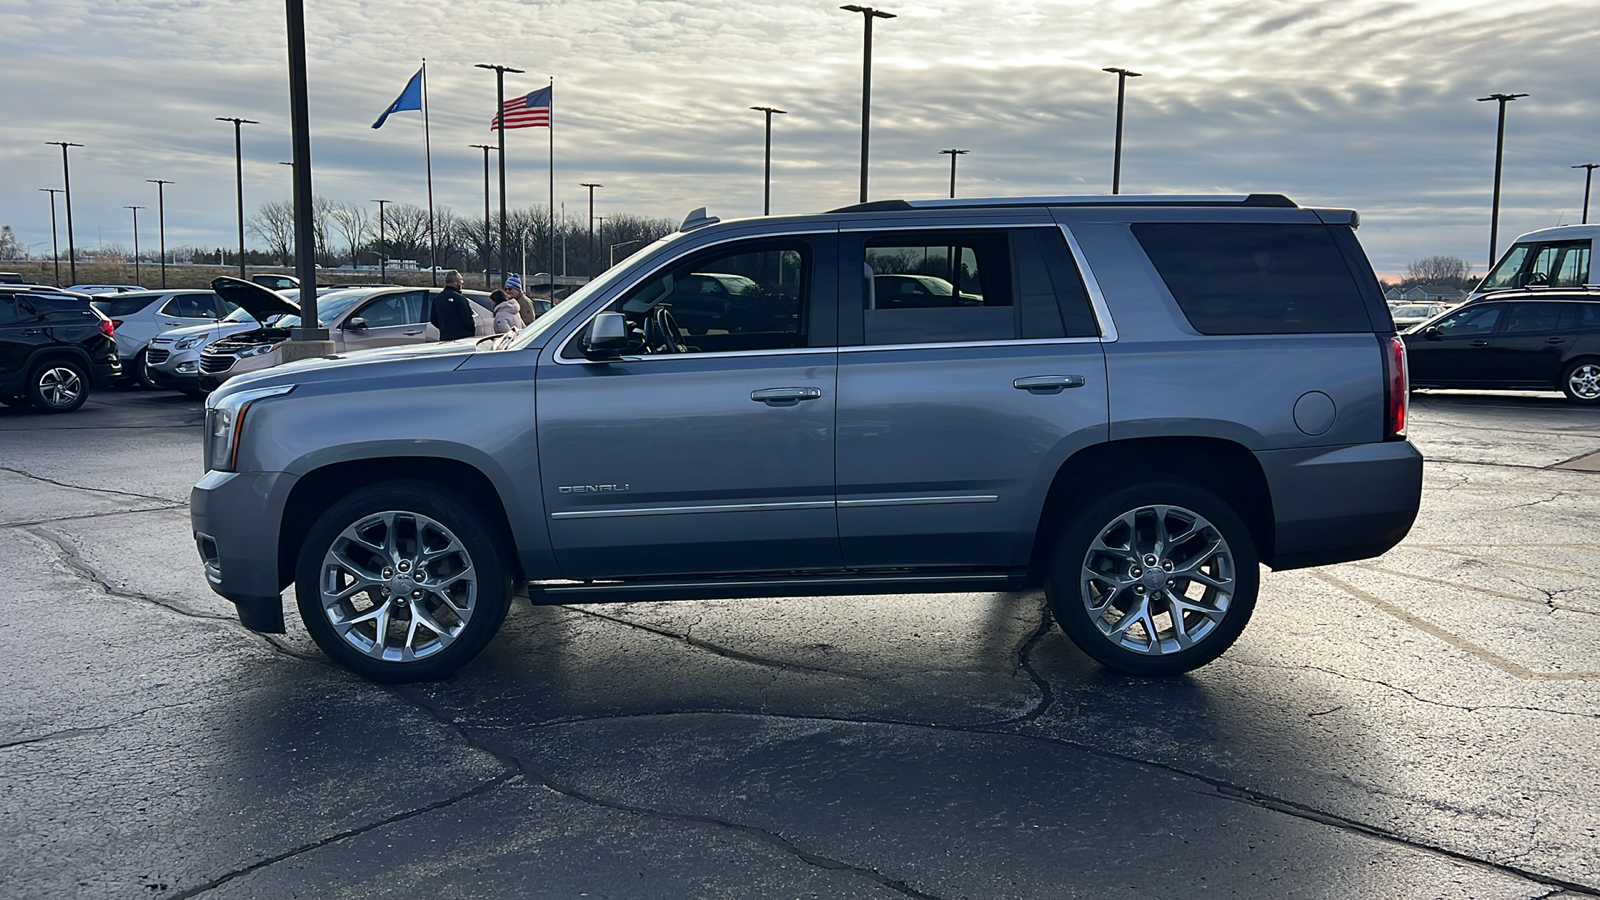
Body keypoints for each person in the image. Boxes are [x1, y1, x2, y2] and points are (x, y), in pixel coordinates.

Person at [430, 270, 476, 341]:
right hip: (462, 337)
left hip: (445, 337)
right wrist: (470, 332)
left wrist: (444, 328)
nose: (461, 283)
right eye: (460, 281)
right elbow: (467, 319)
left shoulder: (437, 299)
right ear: (454, 282)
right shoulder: (460, 298)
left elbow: (433, 319)